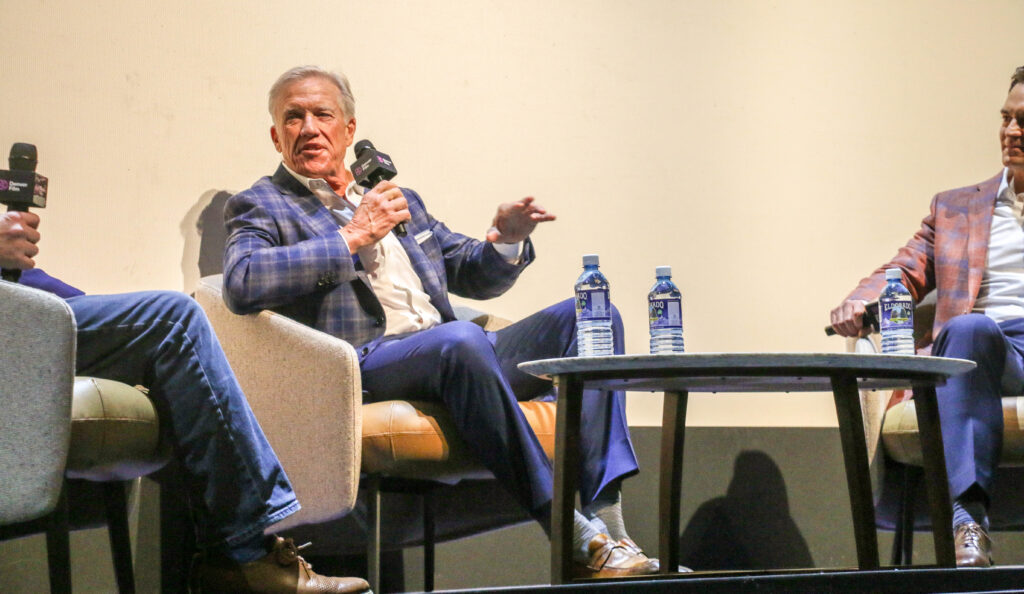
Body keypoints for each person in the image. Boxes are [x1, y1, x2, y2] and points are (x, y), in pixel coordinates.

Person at [222, 65, 658, 579]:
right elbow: (241, 282)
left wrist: (507, 239)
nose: (308, 127)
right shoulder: (262, 203)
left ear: (349, 129)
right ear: (276, 135)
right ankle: (569, 530)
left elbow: (472, 273)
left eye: (322, 114)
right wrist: (350, 239)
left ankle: (612, 525)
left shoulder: (393, 198)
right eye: (293, 118)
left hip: (456, 351)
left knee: (592, 314)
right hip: (362, 363)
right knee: (459, 340)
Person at [0, 209, 371, 593]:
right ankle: (244, 558)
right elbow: (245, 281)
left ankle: (238, 560)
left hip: (30, 304)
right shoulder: (260, 204)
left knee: (166, 335)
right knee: (173, 319)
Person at [830, 66, 1024, 568]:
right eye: (1006, 119)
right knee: (968, 328)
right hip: (986, 348)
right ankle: (968, 522)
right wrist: (860, 300)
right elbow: (904, 271)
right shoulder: (958, 208)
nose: (1010, 132)